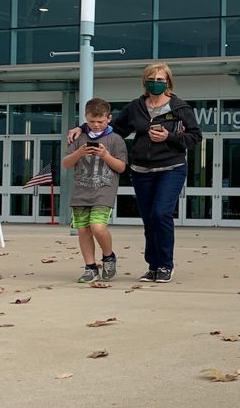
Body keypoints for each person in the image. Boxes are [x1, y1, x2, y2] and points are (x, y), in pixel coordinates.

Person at [68, 62, 201, 283]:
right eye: (152, 79)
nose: (155, 83)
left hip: (171, 168)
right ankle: (153, 266)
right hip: (141, 170)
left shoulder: (180, 108)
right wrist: (82, 128)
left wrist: (169, 137)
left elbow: (195, 137)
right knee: (149, 219)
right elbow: (111, 128)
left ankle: (165, 265)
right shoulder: (135, 107)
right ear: (144, 81)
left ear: (168, 82)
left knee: (161, 214)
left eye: (160, 80)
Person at [61, 98, 128, 283]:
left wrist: (106, 155)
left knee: (98, 227)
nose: (96, 125)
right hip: (81, 192)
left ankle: (108, 256)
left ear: (109, 119)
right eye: (91, 121)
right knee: (83, 230)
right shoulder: (78, 137)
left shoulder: (116, 140)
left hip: (104, 191)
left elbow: (121, 167)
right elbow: (66, 163)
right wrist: (79, 153)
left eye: (100, 121)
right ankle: (90, 267)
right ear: (85, 118)